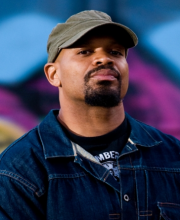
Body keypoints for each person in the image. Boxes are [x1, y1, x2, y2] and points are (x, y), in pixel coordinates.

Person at [0, 10, 180, 220]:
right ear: (53, 74)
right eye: (85, 52)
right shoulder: (19, 169)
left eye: (115, 52)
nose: (104, 59)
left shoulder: (173, 157)